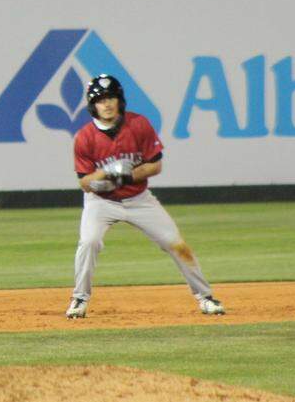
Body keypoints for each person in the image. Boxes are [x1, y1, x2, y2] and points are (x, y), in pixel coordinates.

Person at [66, 73, 226, 319]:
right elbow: (84, 183)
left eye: (111, 98)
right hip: (102, 202)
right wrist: (106, 174)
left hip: (139, 199)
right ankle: (79, 298)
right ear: (92, 105)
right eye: (100, 99)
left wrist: (126, 176)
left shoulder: (139, 124)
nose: (107, 104)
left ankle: (205, 297)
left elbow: (155, 165)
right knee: (89, 242)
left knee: (176, 244)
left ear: (120, 100)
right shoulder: (85, 137)